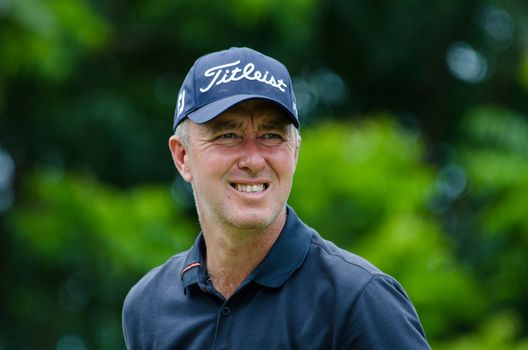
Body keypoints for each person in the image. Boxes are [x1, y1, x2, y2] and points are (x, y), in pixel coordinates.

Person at [122, 47, 431, 349]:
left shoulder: (359, 300)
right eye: (228, 136)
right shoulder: (147, 306)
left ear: (294, 153)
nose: (254, 160)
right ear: (183, 157)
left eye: (271, 136)